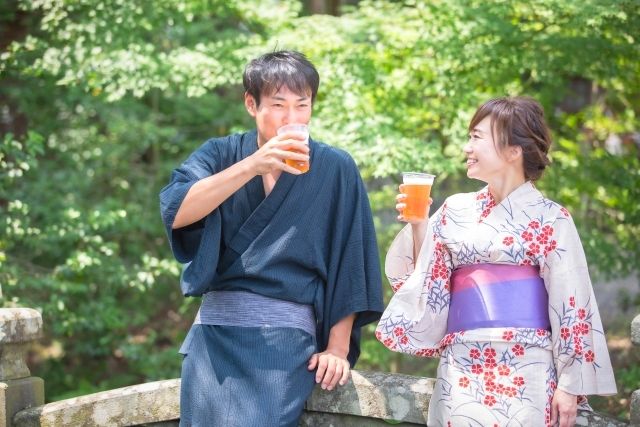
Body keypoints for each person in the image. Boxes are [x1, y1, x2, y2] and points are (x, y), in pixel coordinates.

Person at [159, 50, 384, 427]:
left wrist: (338, 348)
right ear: (251, 103)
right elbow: (177, 210)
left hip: (284, 344)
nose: (292, 118)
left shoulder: (335, 167)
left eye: (302, 105)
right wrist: (252, 165)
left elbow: (352, 256)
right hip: (212, 340)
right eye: (278, 105)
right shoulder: (220, 154)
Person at [376, 96, 616, 427]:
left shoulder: (551, 218)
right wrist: (420, 226)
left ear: (512, 151)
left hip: (528, 367)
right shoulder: (454, 210)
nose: (466, 147)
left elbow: (572, 304)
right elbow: (425, 282)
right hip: (461, 364)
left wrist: (569, 386)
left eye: (476, 137)